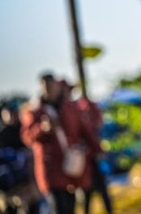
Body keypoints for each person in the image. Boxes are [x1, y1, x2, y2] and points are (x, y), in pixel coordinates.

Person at [20, 73, 101, 214]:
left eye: (51, 85)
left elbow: (85, 130)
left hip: (71, 166)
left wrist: (97, 149)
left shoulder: (70, 107)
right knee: (58, 207)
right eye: (46, 86)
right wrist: (42, 129)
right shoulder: (34, 111)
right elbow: (27, 137)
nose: (49, 89)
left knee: (70, 207)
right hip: (50, 168)